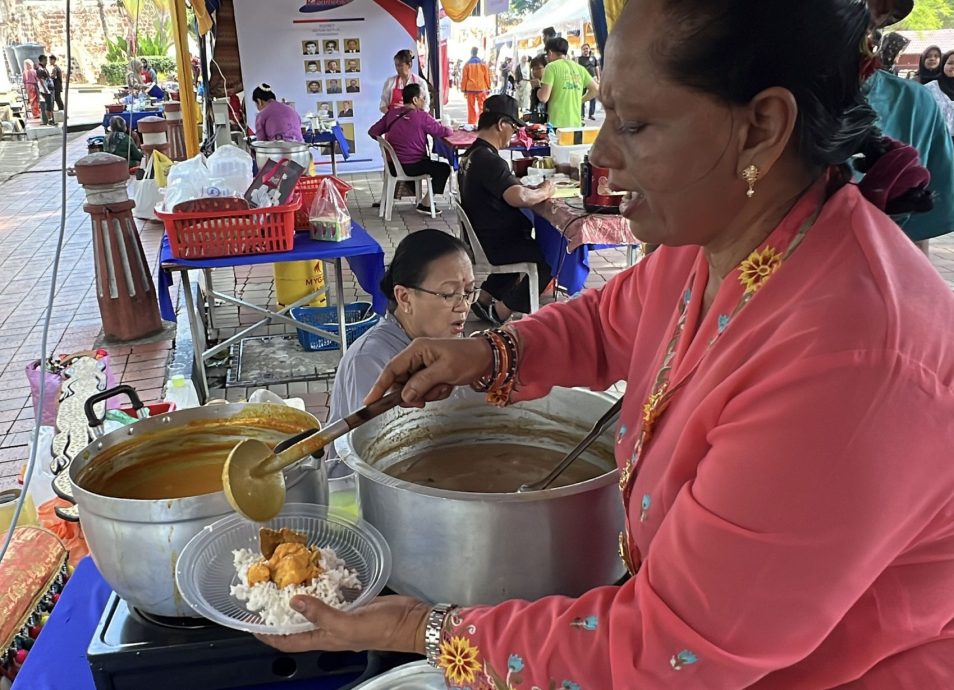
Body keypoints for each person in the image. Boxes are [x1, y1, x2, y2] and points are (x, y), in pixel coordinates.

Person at [260, 2, 954, 687]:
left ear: (762, 129)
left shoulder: (847, 361)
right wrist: (485, 355)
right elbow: (606, 322)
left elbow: (667, 647)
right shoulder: (718, 239)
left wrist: (420, 628)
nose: (601, 153)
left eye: (635, 124)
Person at [327, 229, 475, 429]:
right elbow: (371, 445)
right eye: (449, 294)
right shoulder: (369, 359)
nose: (464, 306)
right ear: (405, 298)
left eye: (469, 292)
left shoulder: (446, 342)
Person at [863, 0, 954, 254]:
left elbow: (916, 234)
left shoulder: (914, 105)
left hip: (877, 284)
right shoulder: (761, 100)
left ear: (880, 9)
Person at [458, 95, 554, 323]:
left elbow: (507, 187)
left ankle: (484, 299)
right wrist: (545, 191)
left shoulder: (472, 154)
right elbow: (518, 197)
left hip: (483, 237)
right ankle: (502, 310)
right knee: (545, 261)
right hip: (495, 244)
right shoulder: (489, 160)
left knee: (522, 246)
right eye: (513, 127)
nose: (514, 133)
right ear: (501, 124)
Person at [368, 83, 452, 215]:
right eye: (423, 98)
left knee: (435, 166)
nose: (424, 101)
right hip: (413, 166)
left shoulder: (392, 114)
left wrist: (387, 147)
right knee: (443, 168)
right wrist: (450, 127)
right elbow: (442, 132)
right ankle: (426, 203)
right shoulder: (422, 117)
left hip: (392, 166)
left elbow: (373, 132)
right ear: (415, 100)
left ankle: (425, 202)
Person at [537, 37, 598, 129]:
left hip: (557, 124)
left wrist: (537, 88)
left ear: (550, 52)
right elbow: (595, 89)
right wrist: (580, 100)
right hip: (576, 124)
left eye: (547, 55)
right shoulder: (580, 68)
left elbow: (543, 97)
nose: (547, 58)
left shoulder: (551, 67)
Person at [379, 49, 429, 113]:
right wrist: (391, 116)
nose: (398, 68)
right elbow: (383, 104)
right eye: (396, 65)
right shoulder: (390, 82)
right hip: (395, 121)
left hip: (414, 120)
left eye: (400, 65)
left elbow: (425, 106)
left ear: (409, 65)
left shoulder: (420, 83)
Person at [925, 51, 954, 136]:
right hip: (938, 140)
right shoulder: (930, 88)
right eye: (950, 63)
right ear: (943, 65)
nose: (953, 66)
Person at [460, 47, 491, 125]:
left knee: (471, 107)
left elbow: (464, 78)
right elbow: (487, 76)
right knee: (482, 107)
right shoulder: (483, 64)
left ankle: (471, 123)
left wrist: (463, 89)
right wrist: (488, 87)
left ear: (471, 53)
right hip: (481, 87)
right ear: (477, 53)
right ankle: (482, 123)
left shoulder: (467, 65)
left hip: (470, 88)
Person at [578, 43, 600, 121]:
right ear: (582, 50)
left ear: (589, 49)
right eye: (584, 49)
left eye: (587, 48)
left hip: (593, 79)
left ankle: (591, 114)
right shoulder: (579, 59)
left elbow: (596, 68)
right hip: (582, 79)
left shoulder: (593, 58)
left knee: (593, 97)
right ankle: (581, 115)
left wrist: (598, 78)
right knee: (582, 96)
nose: (585, 50)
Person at [526, 55, 548, 123]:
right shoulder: (535, 83)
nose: (535, 71)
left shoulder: (548, 84)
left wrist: (538, 88)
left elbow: (544, 102)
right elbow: (534, 105)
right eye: (533, 69)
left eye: (538, 68)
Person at [35, 55, 53, 125]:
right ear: (43, 60)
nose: (47, 62)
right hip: (44, 89)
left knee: (49, 104)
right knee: (48, 105)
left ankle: (50, 119)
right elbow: (41, 80)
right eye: (46, 60)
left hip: (46, 88)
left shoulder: (43, 68)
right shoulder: (40, 69)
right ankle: (49, 120)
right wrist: (45, 89)